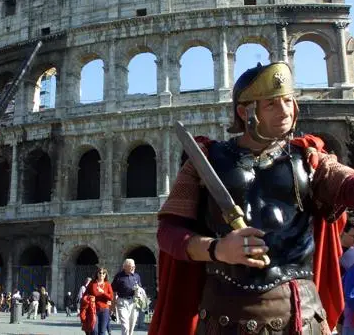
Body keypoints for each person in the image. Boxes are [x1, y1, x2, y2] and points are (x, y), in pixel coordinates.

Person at [151, 62, 354, 335]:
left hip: (301, 317)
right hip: (224, 317)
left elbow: (345, 182)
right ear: (244, 111)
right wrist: (217, 249)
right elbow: (168, 232)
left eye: (287, 100)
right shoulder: (204, 161)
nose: (285, 111)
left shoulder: (311, 161)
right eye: (271, 104)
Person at [112, 259, 142, 335]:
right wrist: (113, 305)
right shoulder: (118, 276)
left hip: (134, 302)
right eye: (131, 266)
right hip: (122, 302)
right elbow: (113, 290)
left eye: (134, 266)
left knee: (132, 325)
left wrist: (139, 291)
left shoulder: (136, 276)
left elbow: (140, 288)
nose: (133, 268)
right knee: (125, 326)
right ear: (125, 267)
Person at [85, 267, 114, 335]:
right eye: (100, 273)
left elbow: (111, 297)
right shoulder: (92, 283)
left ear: (105, 275)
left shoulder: (107, 284)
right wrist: (89, 297)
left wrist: (103, 292)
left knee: (102, 332)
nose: (102, 274)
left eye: (103, 273)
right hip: (93, 309)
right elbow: (85, 295)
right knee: (94, 331)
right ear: (97, 274)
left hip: (104, 310)